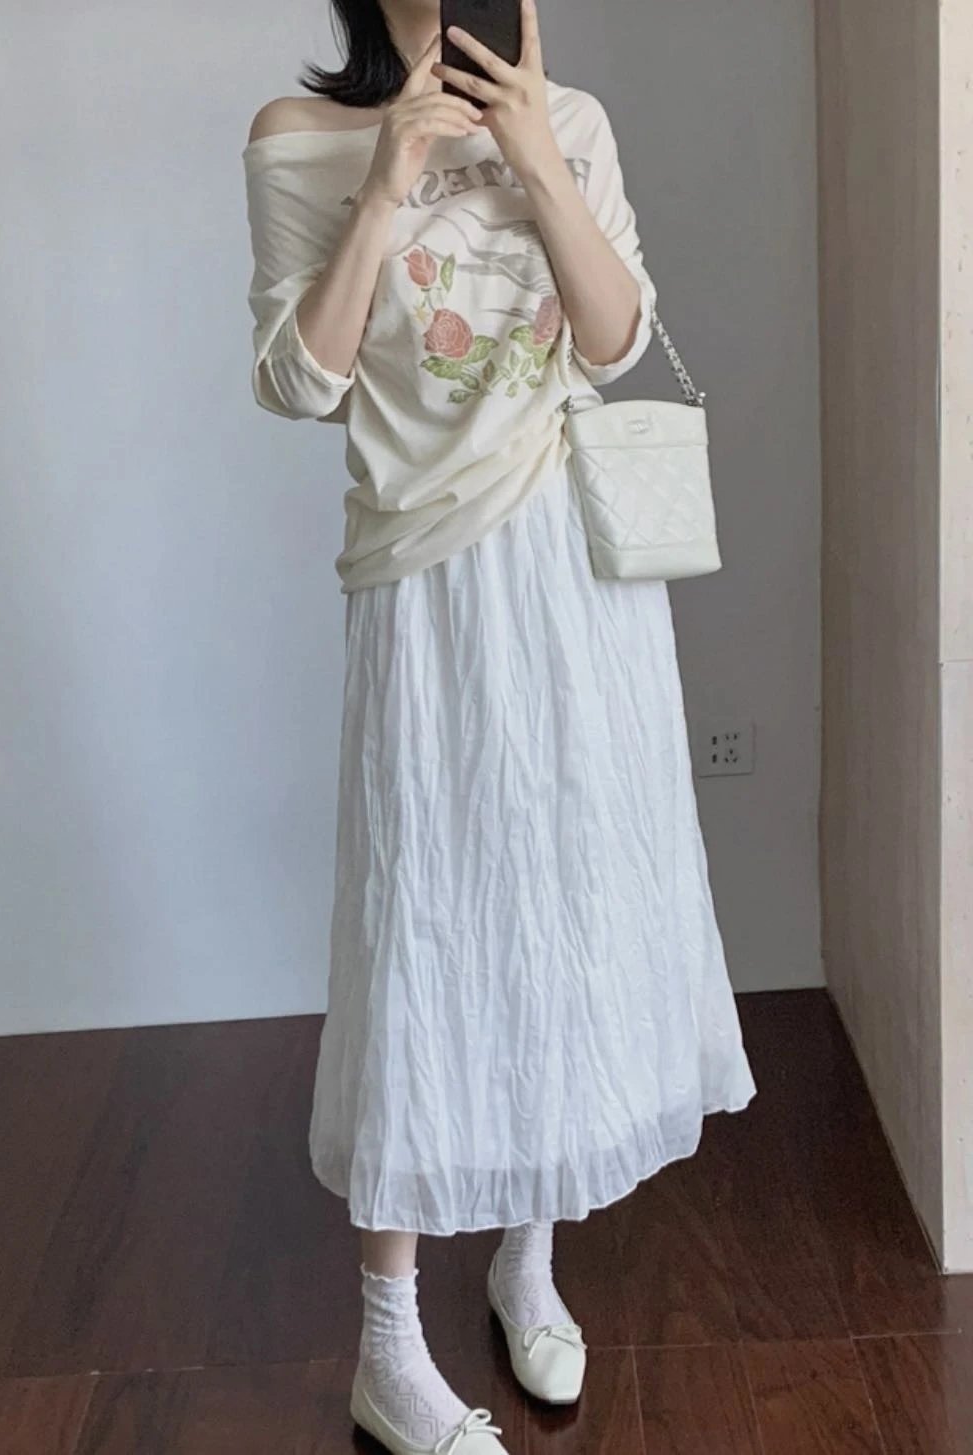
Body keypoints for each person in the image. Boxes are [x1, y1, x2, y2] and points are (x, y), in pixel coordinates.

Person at [242, 2, 757, 1450]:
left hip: (576, 580)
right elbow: (297, 381)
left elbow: (617, 340)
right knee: (423, 927)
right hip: (422, 583)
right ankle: (388, 1343)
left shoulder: (570, 122)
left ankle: (529, 1259)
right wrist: (389, 181)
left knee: (565, 907)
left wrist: (532, 153)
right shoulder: (298, 139)